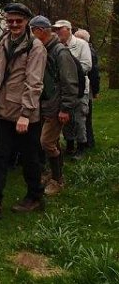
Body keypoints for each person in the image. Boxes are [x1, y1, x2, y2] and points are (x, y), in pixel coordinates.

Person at [0, 3, 47, 220]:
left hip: (25, 114)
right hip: (4, 110)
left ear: (26, 22)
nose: (14, 24)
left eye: (18, 21)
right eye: (10, 20)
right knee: (0, 156)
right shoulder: (5, 41)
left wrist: (25, 114)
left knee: (30, 158)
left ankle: (35, 197)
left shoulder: (35, 47)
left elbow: (34, 83)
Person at [29, 15, 79, 196]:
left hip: (57, 105)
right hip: (45, 104)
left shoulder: (60, 52)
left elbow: (69, 82)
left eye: (32, 31)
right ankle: (54, 174)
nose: (30, 35)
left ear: (40, 31)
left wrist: (65, 108)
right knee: (52, 141)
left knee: (47, 142)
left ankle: (58, 180)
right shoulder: (44, 49)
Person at [52, 20, 92, 160]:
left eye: (60, 29)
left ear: (68, 29)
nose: (57, 31)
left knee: (79, 118)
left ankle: (81, 146)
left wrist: (69, 70)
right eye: (55, 29)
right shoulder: (56, 46)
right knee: (66, 118)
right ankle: (69, 145)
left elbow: (87, 65)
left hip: (79, 87)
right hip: (62, 88)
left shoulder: (81, 44)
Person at [74, 28, 100, 149]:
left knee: (85, 115)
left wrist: (95, 90)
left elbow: (94, 73)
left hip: (86, 86)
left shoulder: (89, 52)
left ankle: (88, 142)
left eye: (77, 38)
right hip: (83, 86)